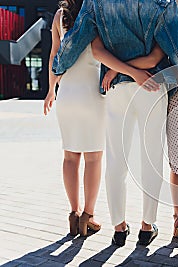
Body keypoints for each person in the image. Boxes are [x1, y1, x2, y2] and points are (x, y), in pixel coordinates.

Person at [52, 0, 178, 247]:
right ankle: (147, 227)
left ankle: (119, 228)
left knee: (116, 160)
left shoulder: (96, 3)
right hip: (152, 86)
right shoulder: (161, 3)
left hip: (116, 89)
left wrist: (58, 65)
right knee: (151, 159)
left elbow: (76, 42)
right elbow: (177, 52)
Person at [43, 0, 104, 237]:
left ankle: (73, 213)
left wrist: (51, 90)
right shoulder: (97, 13)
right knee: (94, 158)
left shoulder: (61, 16)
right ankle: (88, 216)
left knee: (70, 156)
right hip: (92, 94)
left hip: (66, 94)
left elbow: (53, 56)